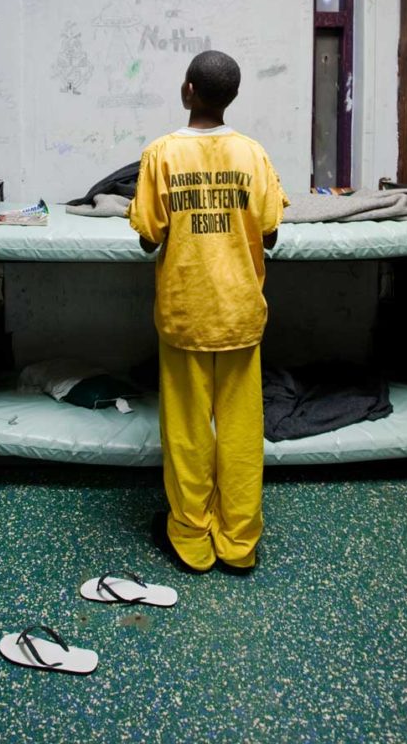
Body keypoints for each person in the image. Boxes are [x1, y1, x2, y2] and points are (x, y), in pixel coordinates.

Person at [127, 50, 289, 574]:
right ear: (231, 97)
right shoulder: (253, 154)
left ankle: (192, 541)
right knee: (242, 434)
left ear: (188, 89)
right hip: (241, 313)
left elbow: (150, 238)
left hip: (186, 315)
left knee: (188, 432)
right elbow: (269, 231)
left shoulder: (161, 155)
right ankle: (239, 544)